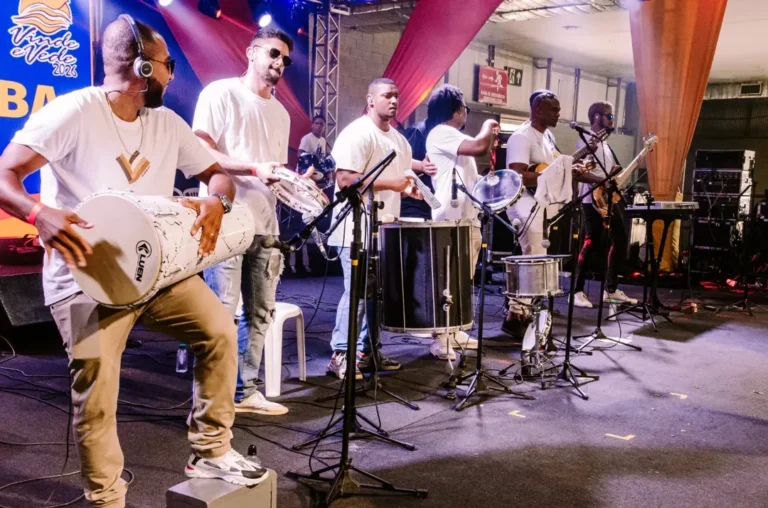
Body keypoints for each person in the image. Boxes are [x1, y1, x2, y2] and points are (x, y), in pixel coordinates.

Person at [0, 16, 268, 507]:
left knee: (219, 332)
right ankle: (106, 498)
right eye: (166, 65)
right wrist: (39, 214)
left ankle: (211, 449)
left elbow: (217, 175)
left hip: (156, 273)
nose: (171, 74)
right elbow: (5, 175)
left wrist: (217, 200)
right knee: (97, 392)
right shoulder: (74, 112)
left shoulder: (166, 123)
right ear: (144, 67)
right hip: (86, 276)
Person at [193, 27, 296, 416]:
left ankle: (244, 391)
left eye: (285, 59)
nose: (280, 62)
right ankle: (211, 399)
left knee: (260, 313)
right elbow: (200, 150)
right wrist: (253, 168)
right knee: (221, 312)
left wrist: (293, 184)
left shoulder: (282, 113)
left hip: (266, 225)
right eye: (273, 53)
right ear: (251, 52)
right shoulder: (221, 93)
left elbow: (272, 170)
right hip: (226, 220)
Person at [326, 77, 422, 380]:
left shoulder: (401, 141)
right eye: (386, 95)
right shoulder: (357, 133)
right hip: (354, 230)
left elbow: (401, 179)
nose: (393, 101)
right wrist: (393, 184)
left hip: (384, 230)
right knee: (356, 294)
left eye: (396, 96)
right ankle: (341, 354)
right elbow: (345, 180)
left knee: (377, 296)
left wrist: (410, 190)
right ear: (370, 100)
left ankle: (366, 352)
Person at [503, 89, 604, 338]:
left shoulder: (548, 136)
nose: (558, 114)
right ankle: (515, 315)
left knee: (538, 258)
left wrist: (580, 170)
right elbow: (516, 176)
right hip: (523, 202)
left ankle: (525, 312)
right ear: (537, 109)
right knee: (532, 257)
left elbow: (556, 167)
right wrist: (552, 175)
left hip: (541, 203)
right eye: (554, 110)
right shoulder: (522, 136)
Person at [424, 84, 497, 359]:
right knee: (447, 278)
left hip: (467, 217)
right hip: (450, 218)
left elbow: (472, 181)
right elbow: (479, 146)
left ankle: (453, 329)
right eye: (465, 108)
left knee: (462, 279)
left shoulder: (455, 138)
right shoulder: (442, 133)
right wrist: (488, 125)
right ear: (456, 110)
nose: (466, 113)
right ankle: (439, 337)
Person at [572, 101, 637, 308]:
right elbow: (578, 172)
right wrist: (601, 180)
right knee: (591, 242)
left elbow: (604, 172)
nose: (612, 120)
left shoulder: (605, 145)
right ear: (597, 117)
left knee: (621, 238)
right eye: (610, 116)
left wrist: (613, 173)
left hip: (607, 200)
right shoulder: (586, 142)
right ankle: (576, 291)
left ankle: (610, 289)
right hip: (591, 199)